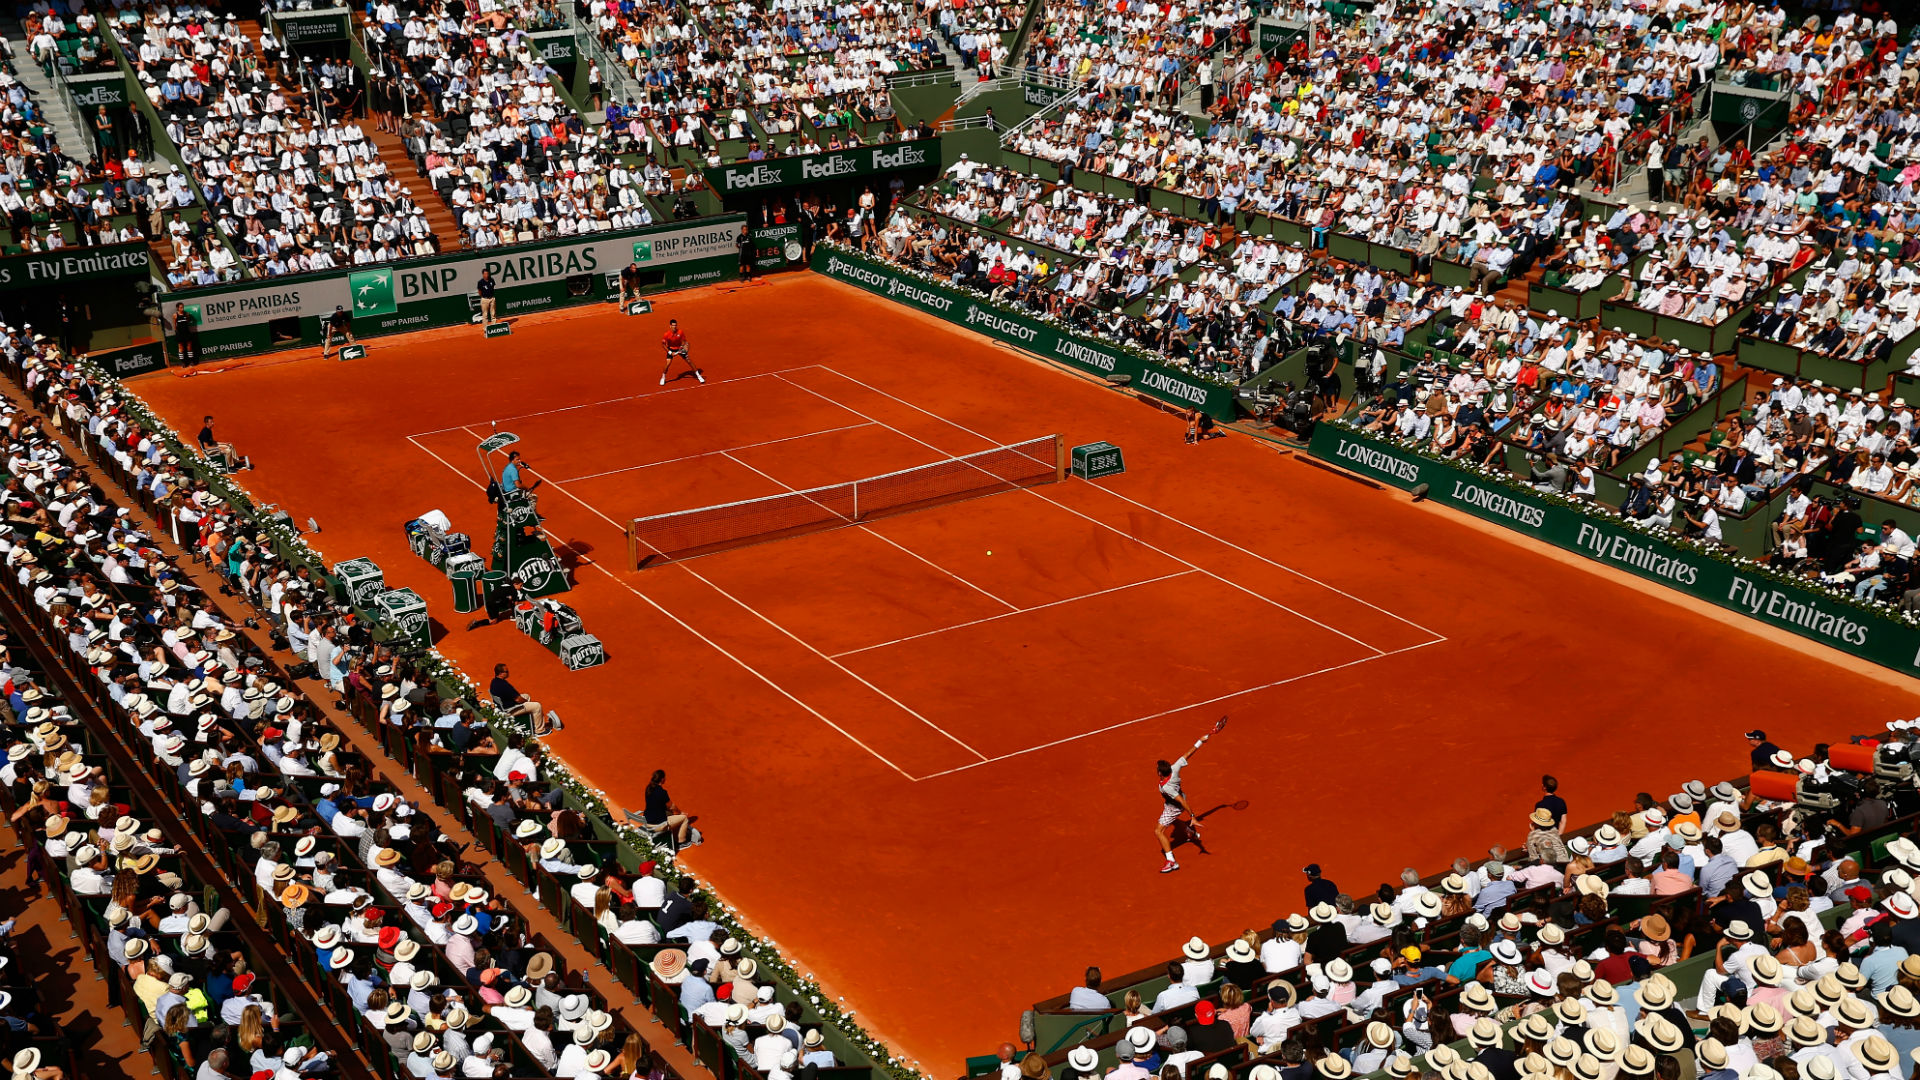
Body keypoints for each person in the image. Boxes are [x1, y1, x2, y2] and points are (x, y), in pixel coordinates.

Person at [1154, 725, 1217, 873]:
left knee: (1158, 831)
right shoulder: (1174, 768)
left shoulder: (1167, 787)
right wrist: (1200, 741)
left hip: (1174, 806)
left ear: (1160, 773)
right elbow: (1188, 754)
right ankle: (1191, 833)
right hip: (1177, 800)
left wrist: (1193, 816)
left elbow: (1182, 802)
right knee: (1173, 821)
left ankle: (1171, 861)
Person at [625, 769, 695, 849]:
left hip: (646, 821)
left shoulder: (648, 789)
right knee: (684, 818)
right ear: (662, 779)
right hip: (658, 826)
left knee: (670, 813)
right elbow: (671, 806)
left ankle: (676, 833)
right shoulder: (662, 792)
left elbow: (665, 806)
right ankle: (681, 842)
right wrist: (681, 813)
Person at [489, 663, 551, 735]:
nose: (508, 673)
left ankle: (533, 721)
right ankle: (539, 730)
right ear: (500, 673)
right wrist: (525, 702)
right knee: (537, 706)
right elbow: (518, 699)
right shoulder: (504, 685)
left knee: (526, 696)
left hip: (502, 707)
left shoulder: (494, 682)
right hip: (510, 711)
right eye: (506, 672)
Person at [660, 318, 704, 386]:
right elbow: (663, 345)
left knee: (689, 361)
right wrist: (670, 352)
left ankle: (698, 376)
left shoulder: (680, 332)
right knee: (668, 364)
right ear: (670, 326)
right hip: (671, 349)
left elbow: (684, 341)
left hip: (679, 348)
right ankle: (663, 377)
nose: (674, 327)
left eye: (675, 325)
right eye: (673, 325)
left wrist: (681, 348)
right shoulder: (666, 334)